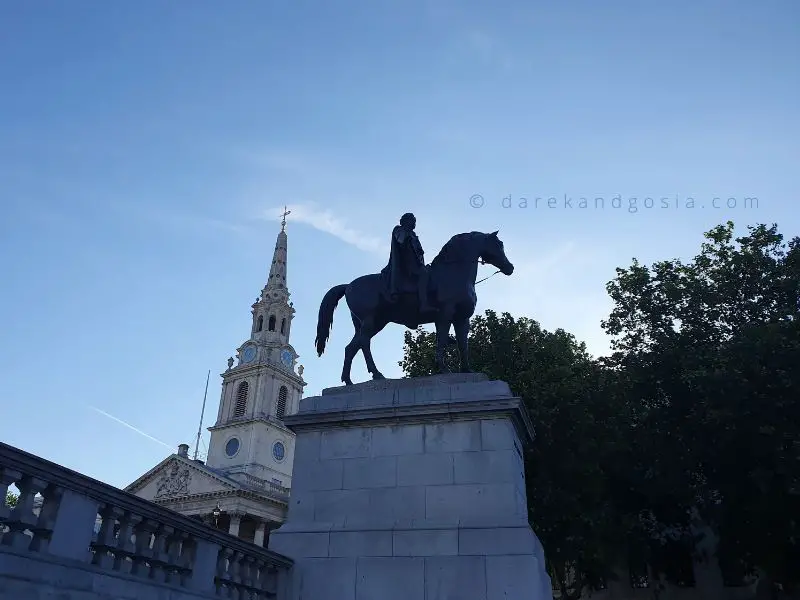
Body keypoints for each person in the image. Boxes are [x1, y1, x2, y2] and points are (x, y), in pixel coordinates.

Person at [383, 212, 436, 313]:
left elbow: (419, 252)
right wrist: (409, 235)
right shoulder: (399, 230)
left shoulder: (413, 234)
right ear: (405, 221)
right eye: (412, 221)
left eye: (415, 221)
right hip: (406, 265)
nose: (414, 224)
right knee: (424, 274)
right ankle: (424, 305)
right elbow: (401, 240)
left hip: (416, 264)